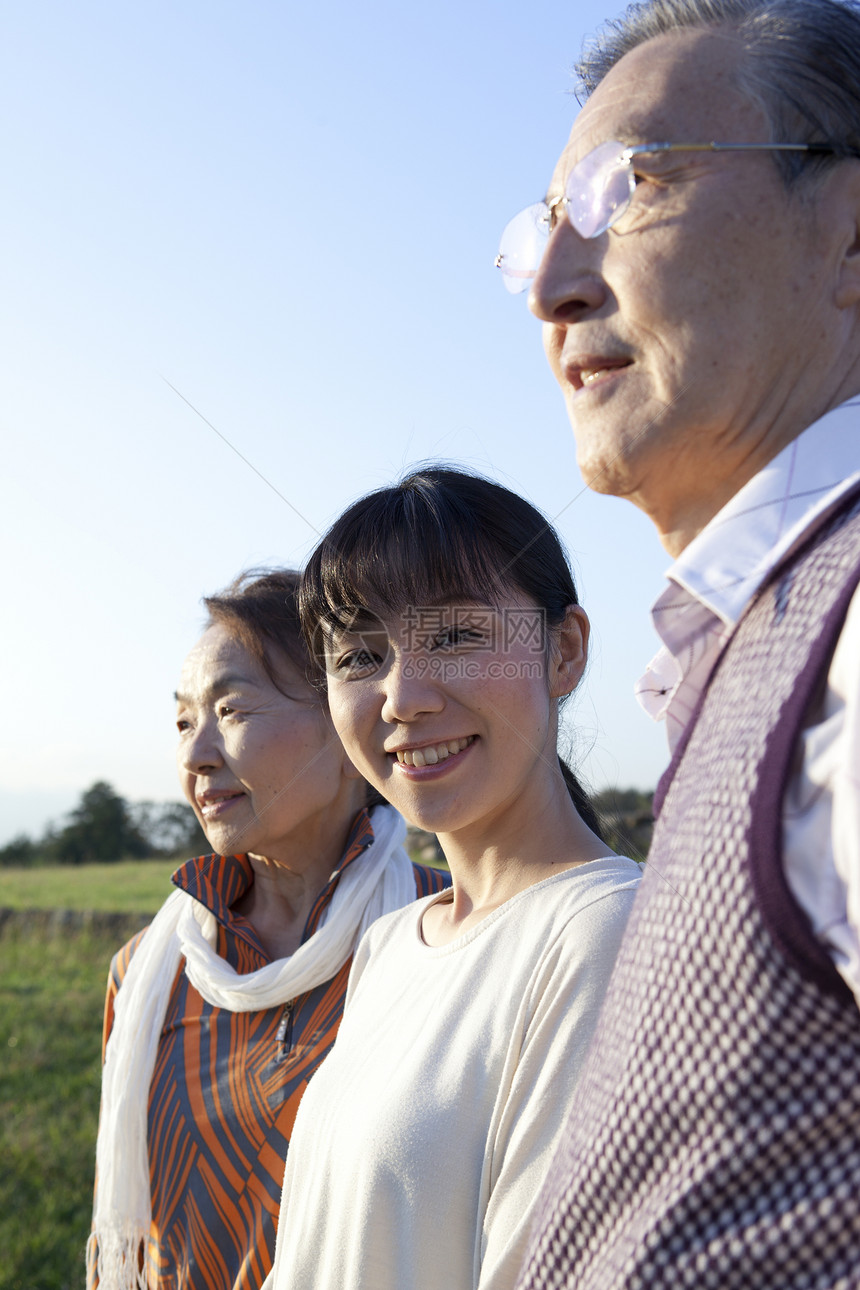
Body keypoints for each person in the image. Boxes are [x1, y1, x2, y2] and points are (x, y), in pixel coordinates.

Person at [495, 0, 860, 1285]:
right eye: (541, 227)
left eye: (634, 183)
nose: (551, 286)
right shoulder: (748, 636)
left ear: (849, 227)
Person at [263, 467, 641, 1290]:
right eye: (360, 655)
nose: (401, 697)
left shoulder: (607, 935)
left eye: (456, 637)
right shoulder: (396, 941)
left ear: (564, 650)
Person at [87, 569, 449, 1290]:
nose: (196, 755)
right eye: (186, 721)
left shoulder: (449, 935)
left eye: (233, 710)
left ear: (348, 718)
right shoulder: (148, 971)